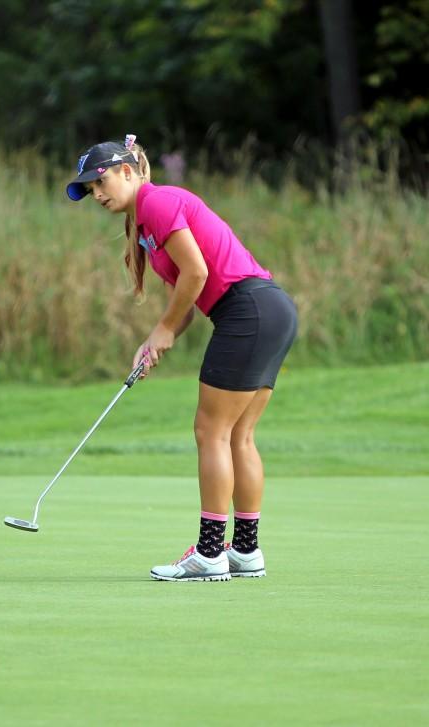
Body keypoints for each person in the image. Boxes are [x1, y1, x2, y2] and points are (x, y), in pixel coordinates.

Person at [66, 134, 297, 582]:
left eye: (100, 180)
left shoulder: (158, 202)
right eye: (88, 189)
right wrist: (156, 341)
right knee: (237, 436)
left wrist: (165, 327)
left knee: (210, 431)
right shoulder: (150, 229)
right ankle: (245, 551)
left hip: (247, 309)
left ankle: (210, 554)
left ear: (128, 171)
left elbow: (198, 272)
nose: (96, 193)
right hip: (271, 309)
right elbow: (186, 299)